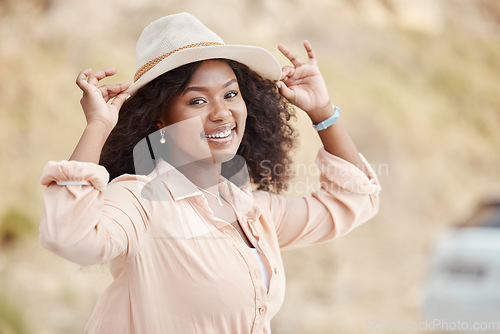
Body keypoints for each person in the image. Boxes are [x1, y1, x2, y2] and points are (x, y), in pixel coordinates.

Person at [39, 12, 381, 334]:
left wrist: (323, 112)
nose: (222, 113)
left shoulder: (252, 211)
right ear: (160, 118)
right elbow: (69, 236)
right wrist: (99, 125)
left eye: (231, 94)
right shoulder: (142, 201)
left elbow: (355, 199)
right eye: (198, 101)